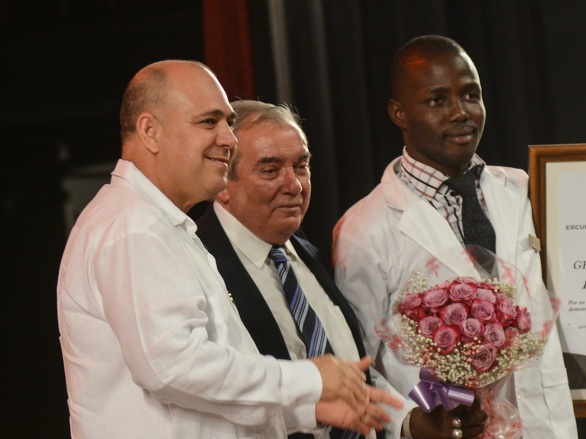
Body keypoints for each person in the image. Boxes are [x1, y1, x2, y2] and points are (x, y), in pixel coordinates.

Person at [57, 60, 377, 438]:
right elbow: (171, 367)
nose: (229, 138)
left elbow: (203, 400)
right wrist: (307, 379)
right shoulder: (133, 227)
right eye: (209, 122)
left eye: (227, 122)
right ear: (150, 131)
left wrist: (304, 411)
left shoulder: (164, 225)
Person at [195, 99, 487, 439]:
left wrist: (409, 423)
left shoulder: (300, 251)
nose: (295, 186)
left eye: (301, 166)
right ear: (223, 183)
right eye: (271, 170)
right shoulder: (201, 263)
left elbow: (353, 370)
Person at [332, 35, 578, 438]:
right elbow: (358, 365)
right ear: (399, 113)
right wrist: (410, 424)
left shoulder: (524, 189)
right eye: (437, 100)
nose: (460, 113)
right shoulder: (365, 228)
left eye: (470, 95)